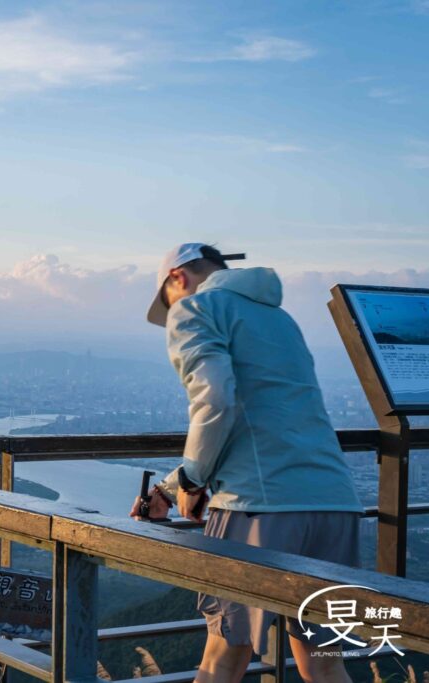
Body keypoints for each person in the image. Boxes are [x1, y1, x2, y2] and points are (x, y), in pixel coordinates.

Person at [130, 243, 363, 683]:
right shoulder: (280, 318)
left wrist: (193, 480)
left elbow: (216, 400)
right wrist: (171, 486)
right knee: (324, 662)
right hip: (336, 502)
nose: (172, 311)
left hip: (259, 507)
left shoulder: (197, 308)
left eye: (168, 301)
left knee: (223, 656)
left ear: (177, 278)